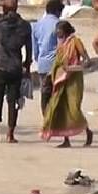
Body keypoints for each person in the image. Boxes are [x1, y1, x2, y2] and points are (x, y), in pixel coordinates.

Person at [0, 0, 33, 143]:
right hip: (16, 67)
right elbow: (29, 50)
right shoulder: (24, 26)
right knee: (13, 101)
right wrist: (27, 67)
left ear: (4, 7)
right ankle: (10, 134)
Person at [41, 20, 92, 148]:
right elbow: (57, 62)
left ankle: (87, 130)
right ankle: (66, 140)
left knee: (74, 108)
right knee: (61, 107)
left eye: (60, 31)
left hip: (74, 79)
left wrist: (80, 65)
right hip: (60, 78)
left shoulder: (75, 41)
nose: (57, 33)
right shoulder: (60, 44)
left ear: (66, 30)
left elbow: (86, 59)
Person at [32, 0, 65, 115]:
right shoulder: (59, 25)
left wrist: (37, 58)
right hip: (56, 64)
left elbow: (35, 47)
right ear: (57, 11)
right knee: (57, 92)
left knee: (44, 92)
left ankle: (46, 117)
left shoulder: (37, 25)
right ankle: (54, 118)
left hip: (42, 63)